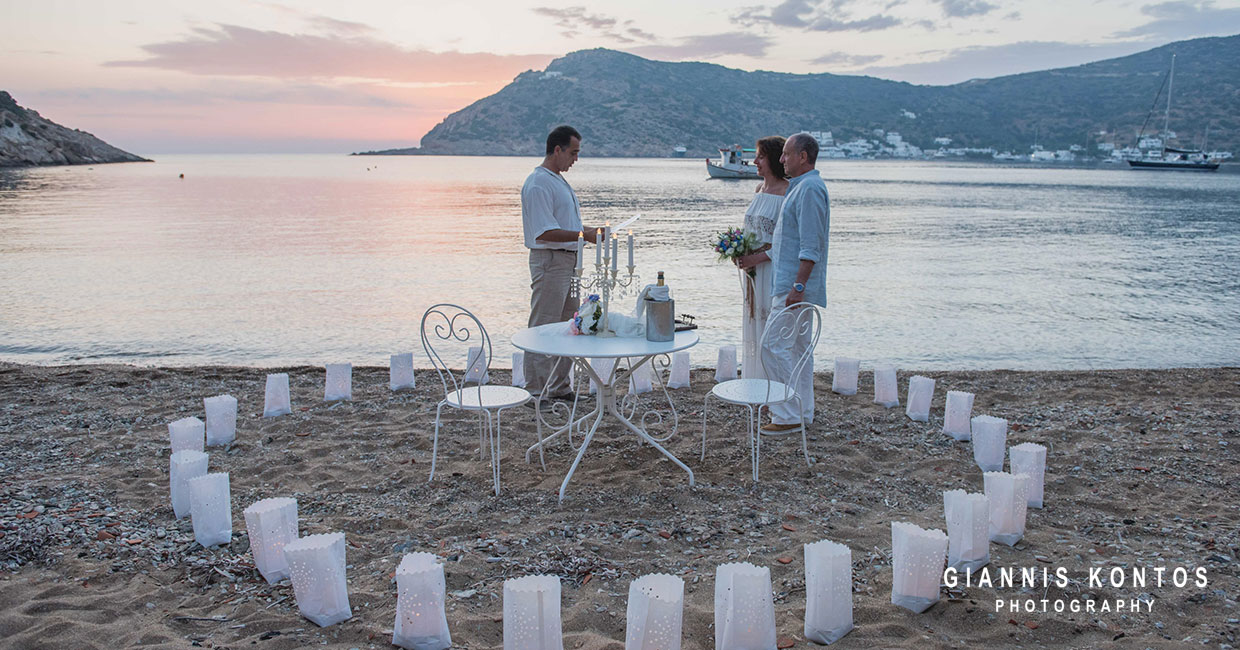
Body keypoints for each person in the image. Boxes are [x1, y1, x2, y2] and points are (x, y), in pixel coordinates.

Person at [521, 125, 602, 401]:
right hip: (551, 262)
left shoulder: (556, 180)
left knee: (571, 325)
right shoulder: (538, 183)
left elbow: (566, 225)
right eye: (573, 153)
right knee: (543, 326)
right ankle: (535, 391)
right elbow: (543, 233)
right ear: (558, 150)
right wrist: (584, 235)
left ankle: (559, 387)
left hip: (568, 262)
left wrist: (591, 232)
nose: (576, 159)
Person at [762, 133, 829, 432]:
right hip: (791, 284)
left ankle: (787, 414)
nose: (781, 159)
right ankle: (803, 412)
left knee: (772, 346)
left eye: (787, 154)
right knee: (799, 350)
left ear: (803, 156)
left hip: (794, 287)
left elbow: (811, 245)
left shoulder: (810, 189)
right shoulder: (801, 188)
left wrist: (798, 286)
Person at [735, 136, 789, 380]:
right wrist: (737, 251)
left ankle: (774, 386)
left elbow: (785, 242)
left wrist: (756, 259)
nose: (755, 161)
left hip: (770, 270)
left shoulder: (788, 192)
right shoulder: (758, 189)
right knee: (753, 321)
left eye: (761, 157)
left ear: (775, 159)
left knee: (770, 327)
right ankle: (755, 382)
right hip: (752, 271)